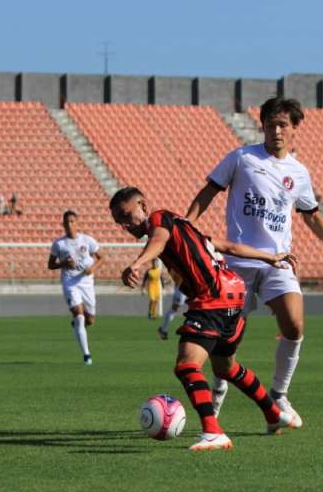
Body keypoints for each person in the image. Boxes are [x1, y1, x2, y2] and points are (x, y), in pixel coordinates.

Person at [185, 96, 323, 422]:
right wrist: (186, 226)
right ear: (262, 126)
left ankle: (279, 394)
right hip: (238, 262)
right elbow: (209, 191)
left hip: (277, 261)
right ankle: (219, 385)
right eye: (271, 124)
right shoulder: (242, 158)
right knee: (226, 338)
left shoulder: (299, 172)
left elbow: (311, 215)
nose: (276, 131)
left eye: (283, 125)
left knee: (295, 324)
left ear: (295, 128)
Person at [111, 186, 302, 451]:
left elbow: (158, 241)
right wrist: (269, 257)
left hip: (212, 299)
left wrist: (137, 263)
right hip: (234, 296)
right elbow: (227, 245)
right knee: (226, 368)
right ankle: (273, 414)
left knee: (186, 366)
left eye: (125, 215)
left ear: (143, 205)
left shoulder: (159, 219)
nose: (124, 225)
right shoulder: (184, 226)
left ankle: (213, 432)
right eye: (118, 222)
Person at [48, 210, 103, 365]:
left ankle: (78, 325)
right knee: (79, 316)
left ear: (77, 223)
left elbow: (101, 258)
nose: (69, 225)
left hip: (86, 283)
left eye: (72, 221)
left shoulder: (87, 240)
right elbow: (50, 265)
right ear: (63, 224)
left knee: (90, 320)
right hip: (70, 283)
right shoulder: (59, 244)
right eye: (67, 222)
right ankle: (87, 355)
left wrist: (92, 268)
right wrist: (64, 263)